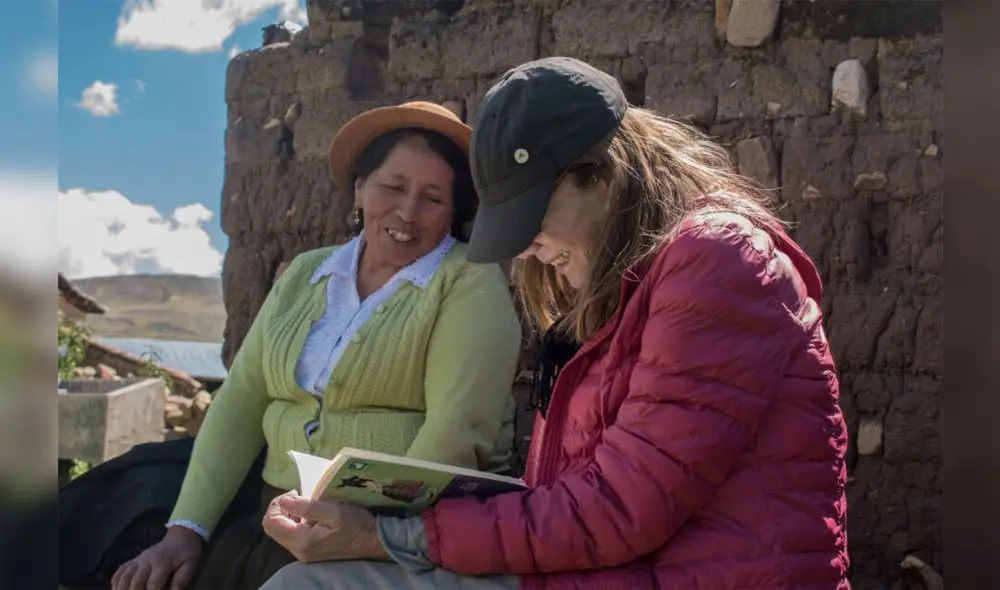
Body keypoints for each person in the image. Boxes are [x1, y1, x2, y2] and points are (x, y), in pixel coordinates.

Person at [258, 57, 850, 590]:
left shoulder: (716, 262)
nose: (530, 246)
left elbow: (623, 507)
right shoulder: (624, 278)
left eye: (532, 213)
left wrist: (390, 539)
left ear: (601, 172)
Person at [103, 101, 524, 590]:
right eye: (393, 187)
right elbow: (240, 400)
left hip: (394, 528)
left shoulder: (468, 281)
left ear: (455, 212)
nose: (408, 211)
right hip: (281, 516)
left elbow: (454, 433)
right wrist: (186, 531)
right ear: (360, 189)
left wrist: (364, 532)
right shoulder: (308, 272)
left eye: (433, 198)